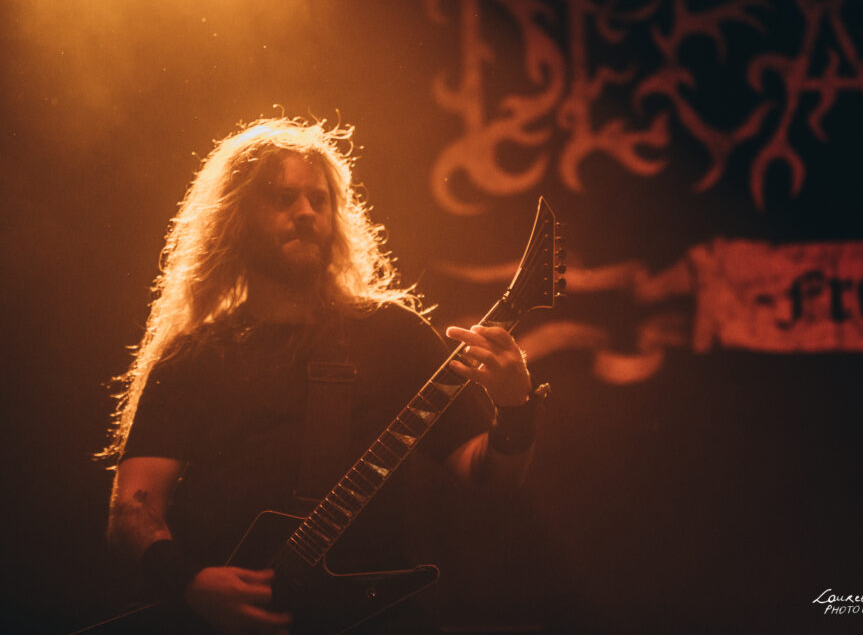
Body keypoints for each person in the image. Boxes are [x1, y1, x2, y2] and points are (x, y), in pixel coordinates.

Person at [99, 117, 543, 634]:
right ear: (237, 216)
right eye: (282, 198)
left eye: (319, 199)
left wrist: (515, 406)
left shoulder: (394, 335)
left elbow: (490, 481)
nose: (306, 212)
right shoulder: (195, 355)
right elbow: (133, 507)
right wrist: (190, 583)